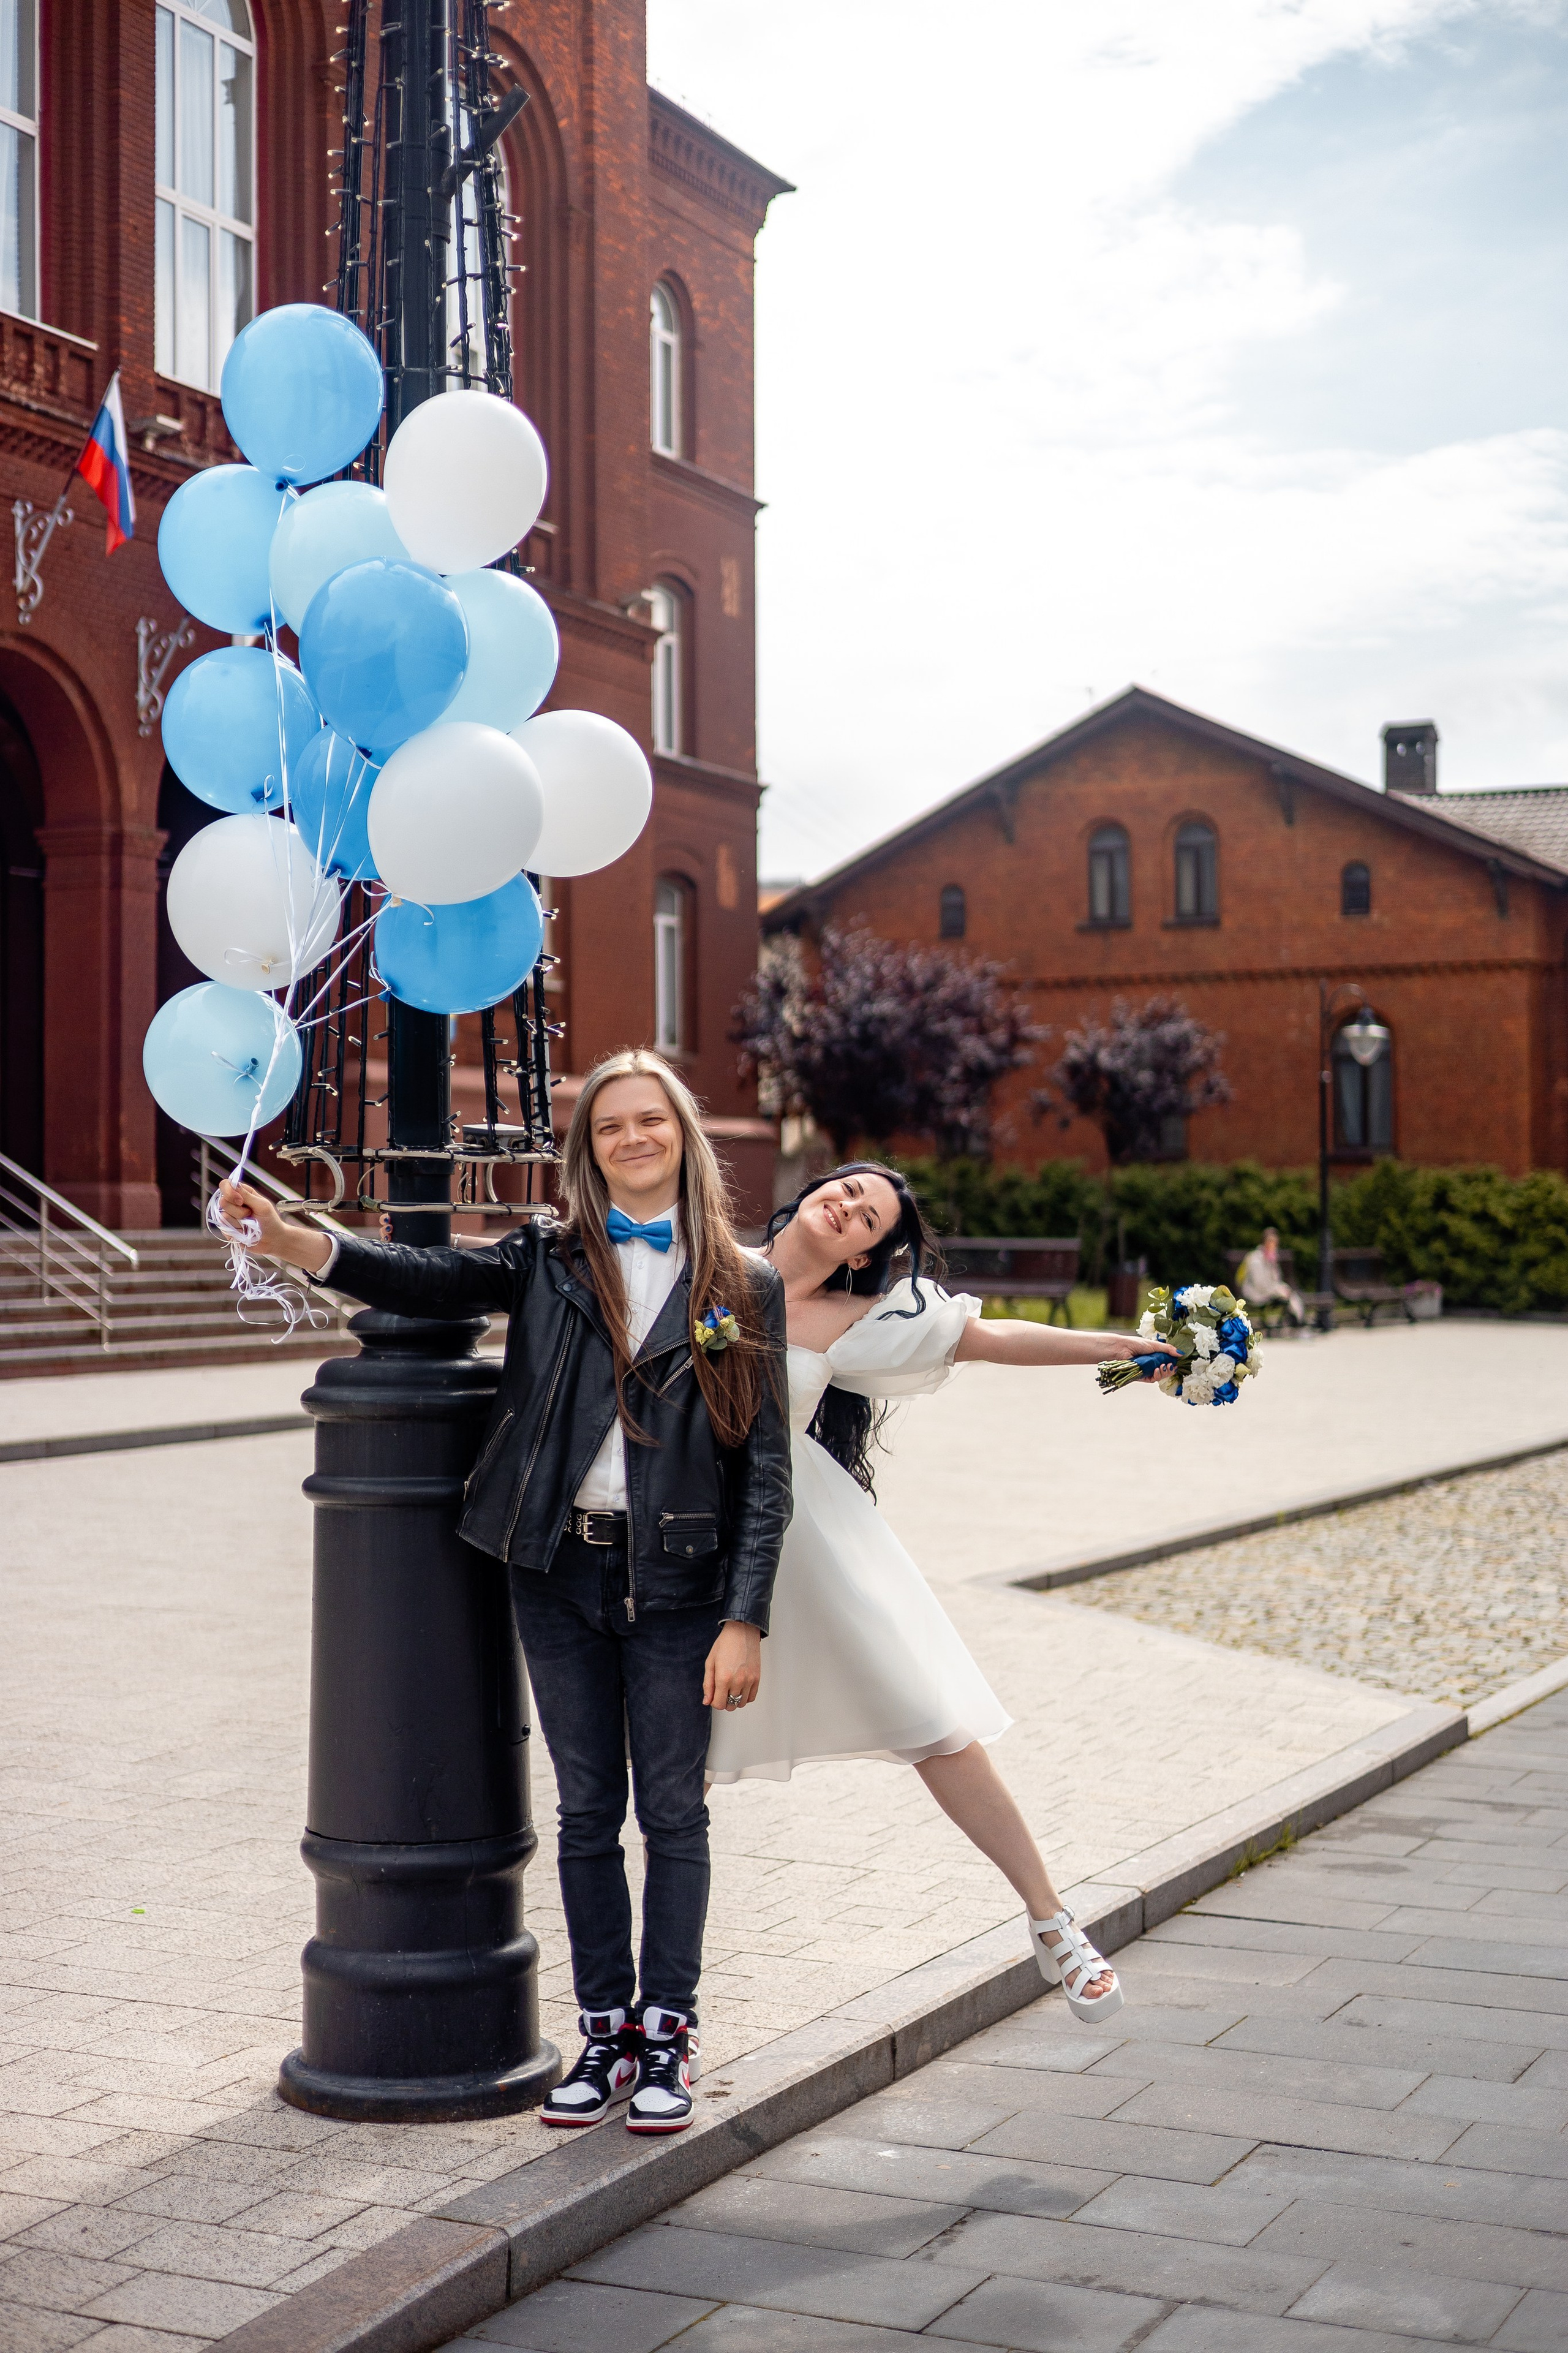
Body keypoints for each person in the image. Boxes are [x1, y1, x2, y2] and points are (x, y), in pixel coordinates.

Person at [218, 1048, 790, 2136]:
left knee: (673, 1813)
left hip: (680, 1584)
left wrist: (745, 1616)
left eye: (649, 1121)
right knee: (585, 1813)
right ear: (589, 1148)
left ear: (683, 1137)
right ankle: (604, 2031)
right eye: (610, 1125)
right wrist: (299, 1241)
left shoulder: (742, 1284)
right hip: (558, 1570)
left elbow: (765, 1470)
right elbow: (424, 1278)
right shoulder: (549, 1255)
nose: (632, 1137)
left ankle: (669, 2029)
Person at [708, 1161, 1177, 2024]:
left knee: (933, 1717)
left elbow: (994, 1339)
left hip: (798, 1541)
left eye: (870, 1216)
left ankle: (1053, 1922)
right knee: (666, 1765)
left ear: (870, 1252)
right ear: (811, 1192)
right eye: (846, 1189)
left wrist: (1118, 1347)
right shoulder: (706, 1262)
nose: (849, 1205)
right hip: (682, 1535)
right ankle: (652, 2007)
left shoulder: (857, 1323)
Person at [1238, 1226, 1305, 1326]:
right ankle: (1296, 1321)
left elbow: (1276, 1280)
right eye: (1271, 1243)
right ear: (1264, 1242)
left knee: (1290, 1294)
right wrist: (1277, 1291)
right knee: (1286, 1295)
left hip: (1268, 1291)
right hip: (1255, 1293)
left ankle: (1297, 1320)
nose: (1273, 1246)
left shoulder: (1271, 1258)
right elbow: (1259, 1283)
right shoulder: (1255, 1258)